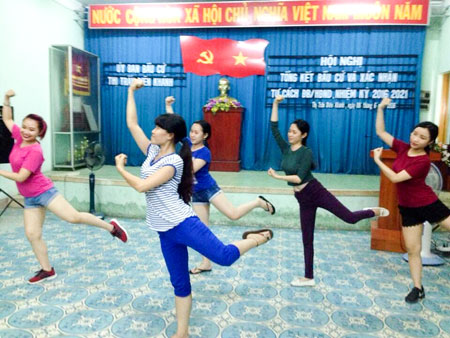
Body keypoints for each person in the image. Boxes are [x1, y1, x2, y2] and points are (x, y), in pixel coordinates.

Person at [116, 78, 273, 338]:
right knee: (179, 281)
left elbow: (143, 186)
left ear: (170, 135)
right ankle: (182, 332)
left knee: (223, 256)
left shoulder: (175, 162)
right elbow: (131, 123)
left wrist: (121, 169)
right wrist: (130, 91)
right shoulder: (151, 150)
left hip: (183, 223)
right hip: (164, 230)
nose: (152, 130)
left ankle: (257, 238)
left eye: (158, 127)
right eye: (154, 126)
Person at [0, 89, 128, 284]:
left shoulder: (35, 150)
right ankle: (47, 270)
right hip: (29, 197)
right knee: (32, 234)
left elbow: (21, 176)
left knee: (73, 217)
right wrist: (7, 99)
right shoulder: (19, 138)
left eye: (31, 130)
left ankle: (111, 227)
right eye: (24, 127)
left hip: (43, 192)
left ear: (39, 133)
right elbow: (8, 120)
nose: (26, 131)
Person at [268, 95, 389, 287]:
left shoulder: (306, 153)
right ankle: (309, 277)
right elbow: (274, 128)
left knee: (349, 218)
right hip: (302, 198)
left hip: (315, 192)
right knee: (307, 237)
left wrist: (278, 177)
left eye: (294, 132)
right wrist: (275, 104)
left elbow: (299, 178)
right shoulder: (286, 149)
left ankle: (372, 211)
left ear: (303, 135)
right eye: (289, 131)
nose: (289, 134)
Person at [165, 95, 276, 274]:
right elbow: (175, 129)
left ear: (205, 135)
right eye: (191, 131)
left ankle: (257, 202)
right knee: (203, 231)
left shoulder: (204, 153)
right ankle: (206, 263)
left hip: (209, 189)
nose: (192, 134)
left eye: (197, 132)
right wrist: (168, 106)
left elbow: (190, 170)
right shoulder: (186, 144)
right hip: (196, 193)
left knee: (233, 215)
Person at [372, 97, 450, 303]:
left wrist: (379, 161)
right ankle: (418, 288)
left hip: (428, 204)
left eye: (422, 137)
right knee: (413, 250)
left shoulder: (423, 161)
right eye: (415, 134)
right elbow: (381, 132)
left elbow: (396, 178)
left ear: (429, 142)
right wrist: (381, 108)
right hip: (408, 208)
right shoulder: (404, 148)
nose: (415, 139)